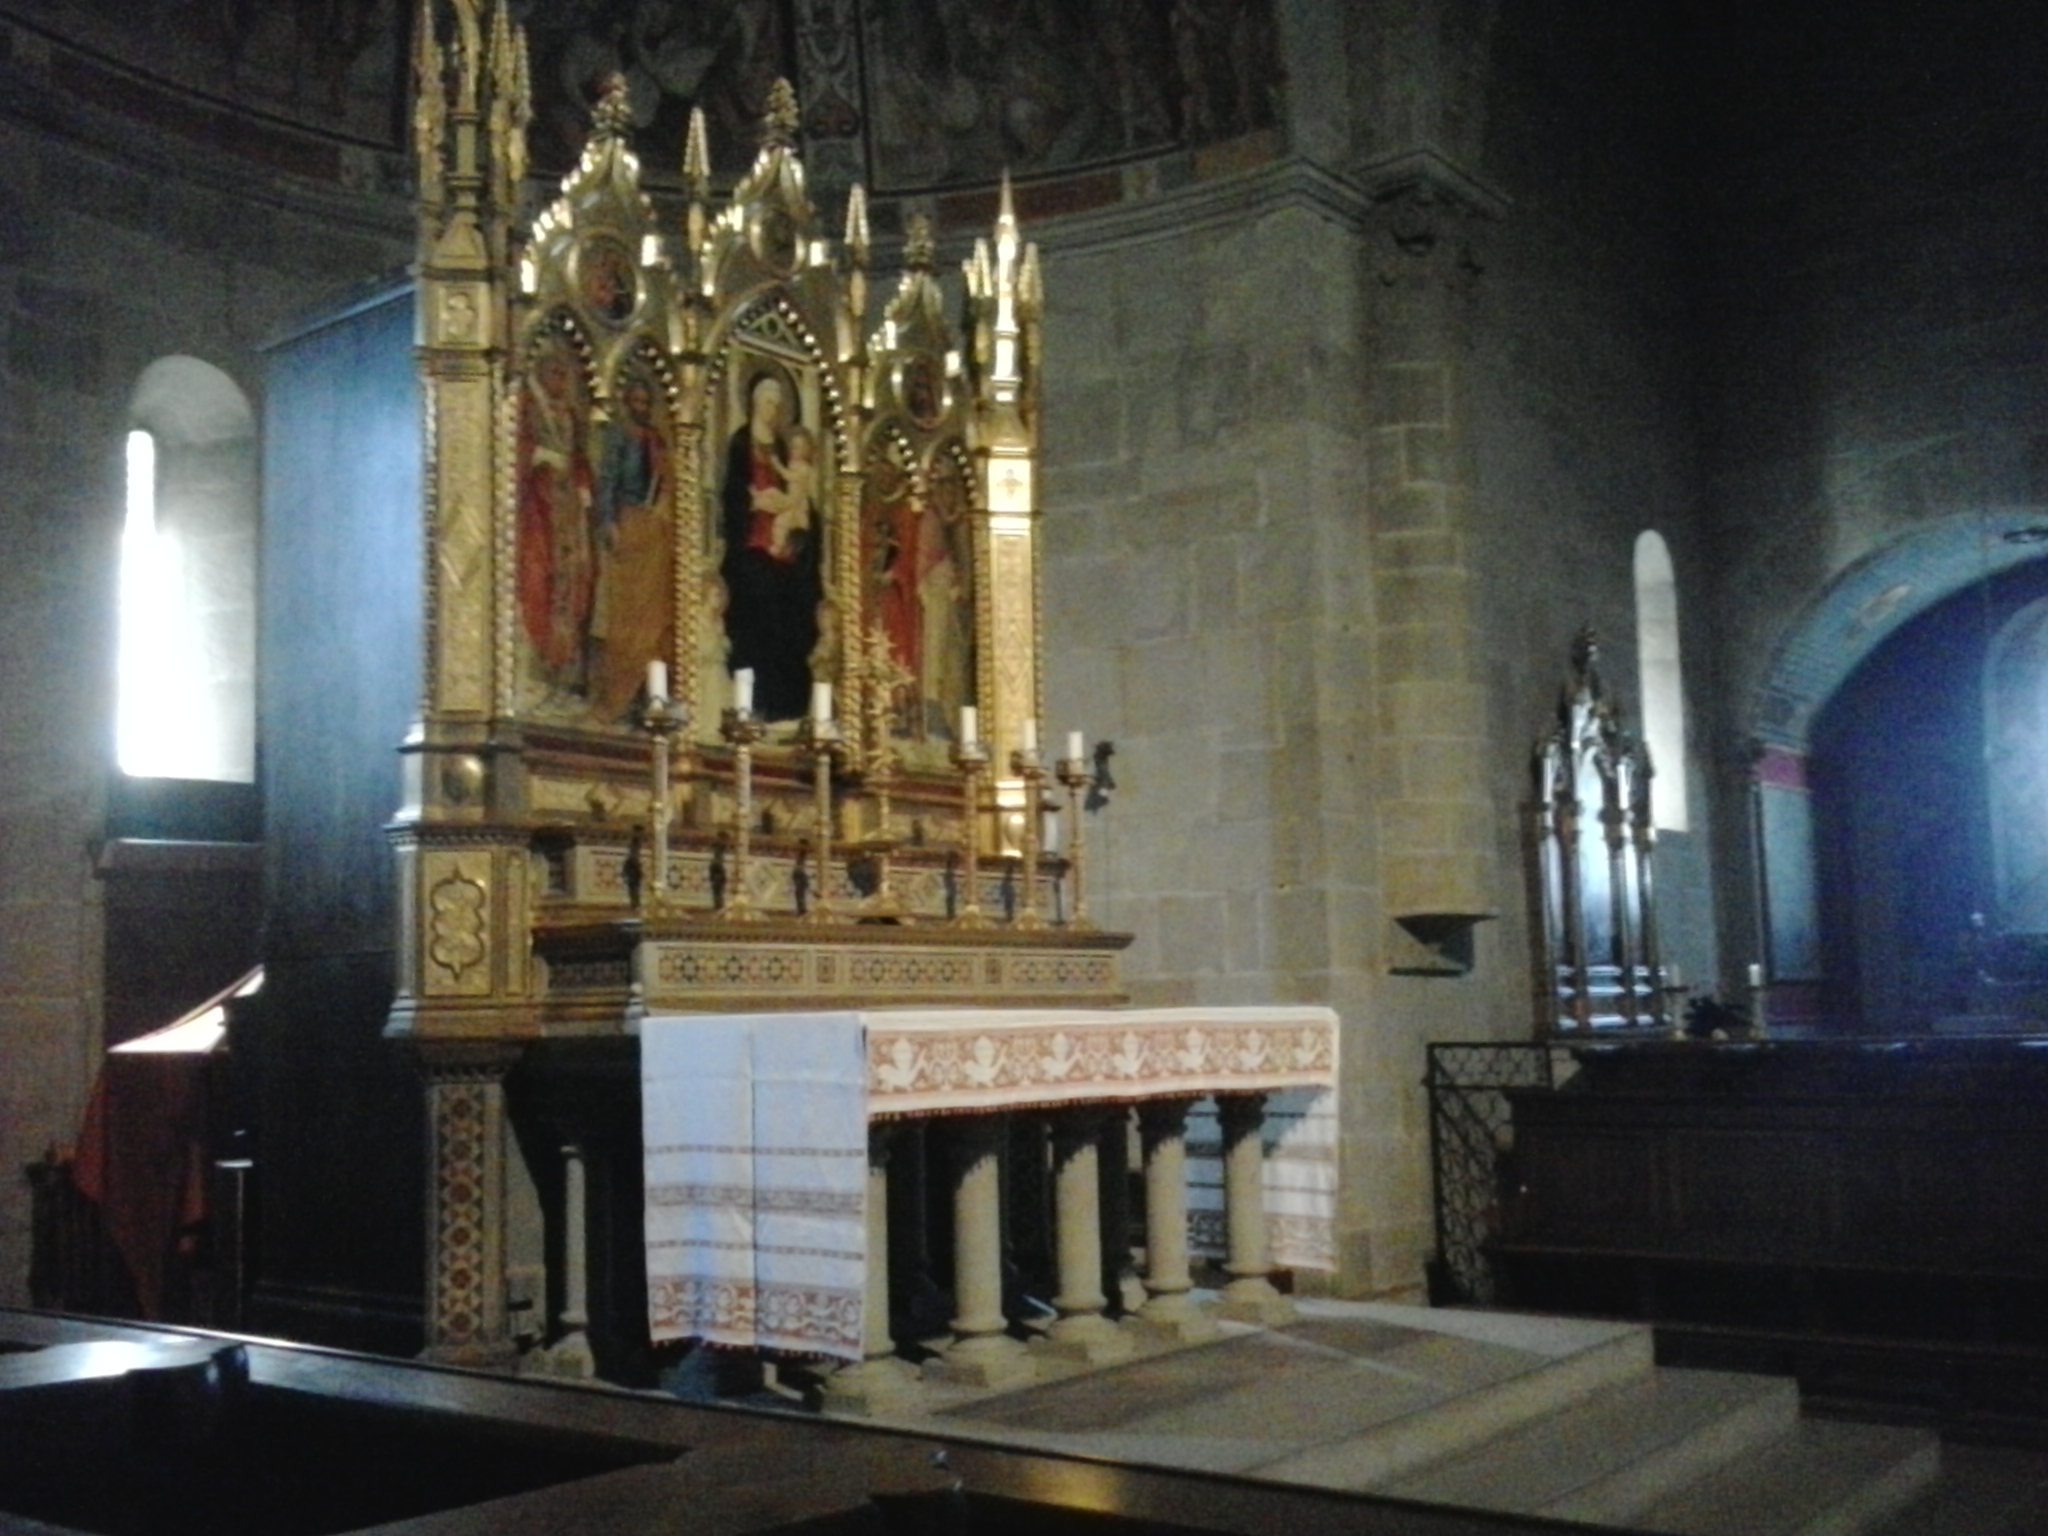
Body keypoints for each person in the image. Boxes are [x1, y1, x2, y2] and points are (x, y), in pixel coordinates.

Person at [720, 372, 823, 720]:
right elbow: (733, 493)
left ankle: (787, 708)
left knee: (797, 606)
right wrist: (754, 502)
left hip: (784, 547)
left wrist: (797, 522)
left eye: (777, 405)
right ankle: (751, 704)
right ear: (753, 402)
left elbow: (800, 497)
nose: (772, 410)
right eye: (767, 402)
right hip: (752, 542)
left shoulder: (782, 448)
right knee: (755, 598)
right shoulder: (741, 442)